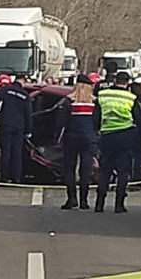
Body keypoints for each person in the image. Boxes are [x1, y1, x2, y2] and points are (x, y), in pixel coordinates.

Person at [93, 70, 141, 213]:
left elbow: (96, 117)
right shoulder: (131, 98)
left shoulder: (103, 95)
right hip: (125, 136)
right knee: (123, 171)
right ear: (128, 83)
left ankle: (99, 204)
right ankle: (119, 204)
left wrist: (98, 131)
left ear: (115, 81)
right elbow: (139, 118)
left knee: (105, 171)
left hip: (107, 136)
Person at [55, 75, 99, 210]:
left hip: (71, 138)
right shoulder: (95, 103)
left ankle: (71, 198)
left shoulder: (68, 101)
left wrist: (58, 138)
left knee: (69, 169)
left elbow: (61, 122)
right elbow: (98, 122)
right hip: (89, 139)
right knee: (86, 170)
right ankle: (84, 201)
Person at [0, 74, 33, 183]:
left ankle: (4, 176)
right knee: (17, 152)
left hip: (5, 124)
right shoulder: (25, 95)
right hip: (19, 126)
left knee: (5, 151)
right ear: (23, 82)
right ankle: (16, 177)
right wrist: (28, 130)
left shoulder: (5, 90)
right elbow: (28, 114)